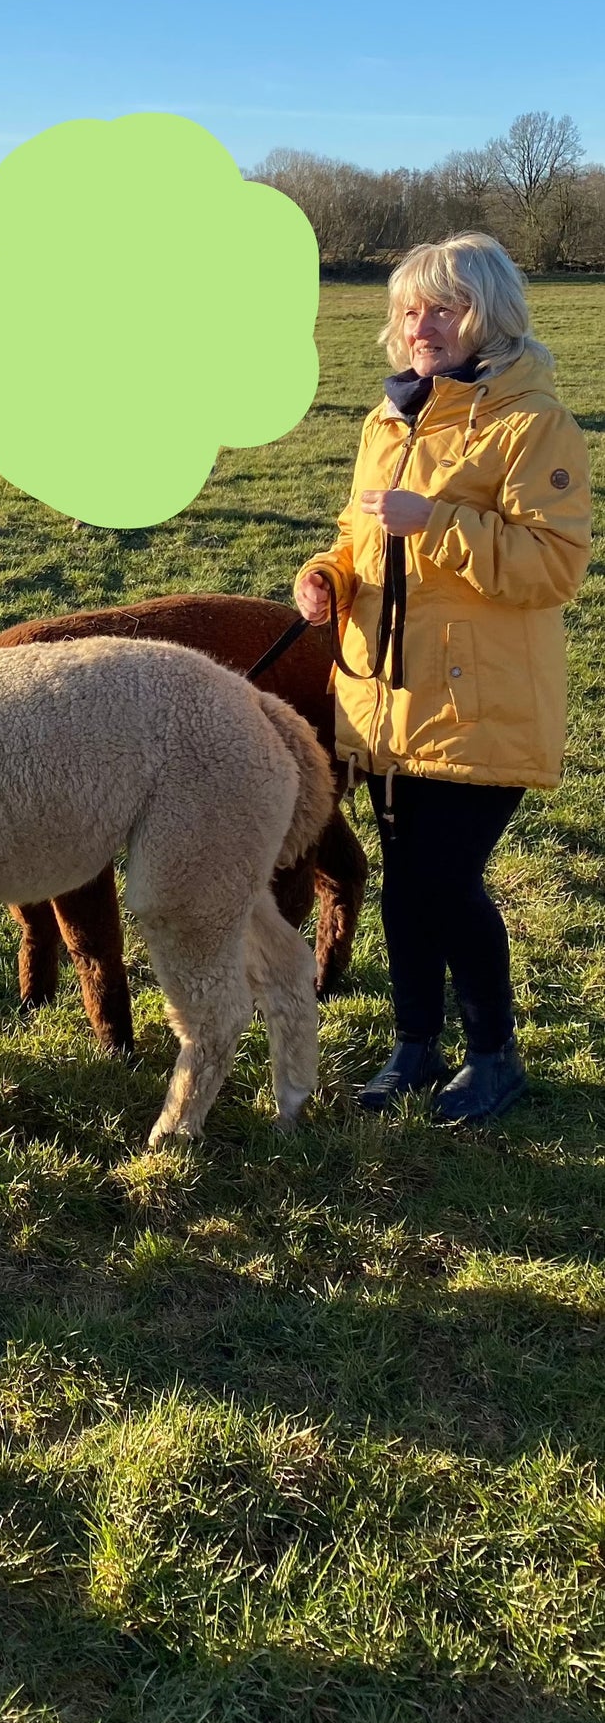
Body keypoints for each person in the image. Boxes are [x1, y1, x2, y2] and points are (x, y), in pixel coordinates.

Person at [294, 232, 590, 1122]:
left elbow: (553, 566)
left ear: (487, 316)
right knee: (405, 881)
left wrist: (437, 523)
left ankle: (494, 1057)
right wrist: (325, 577)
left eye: (443, 307)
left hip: (480, 707)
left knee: (439, 882)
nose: (421, 326)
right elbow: (358, 540)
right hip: (387, 703)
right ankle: (415, 1048)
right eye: (409, 310)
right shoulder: (386, 422)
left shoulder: (533, 423)